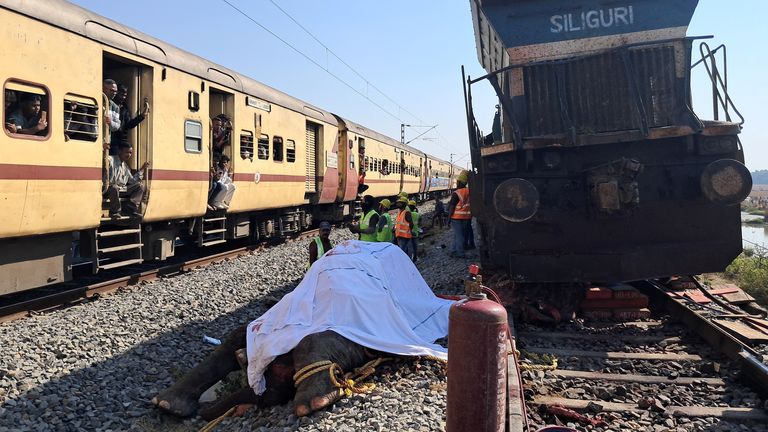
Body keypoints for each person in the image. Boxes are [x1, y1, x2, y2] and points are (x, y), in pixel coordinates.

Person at [106, 143, 148, 218]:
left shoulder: (125, 166)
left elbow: (132, 181)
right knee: (114, 187)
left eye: (130, 153)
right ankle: (115, 212)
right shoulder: (109, 160)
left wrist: (142, 169)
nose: (129, 155)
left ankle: (131, 209)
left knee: (140, 186)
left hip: (121, 189)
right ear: (119, 151)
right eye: (126, 152)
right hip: (109, 189)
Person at [110, 84, 149, 154]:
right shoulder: (110, 104)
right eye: (121, 94)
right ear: (116, 93)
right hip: (111, 138)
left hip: (121, 139)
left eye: (125, 95)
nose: (123, 97)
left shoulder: (124, 107)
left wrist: (142, 116)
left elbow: (129, 125)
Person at [447, 170, 471, 258]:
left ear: (460, 182)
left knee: (459, 236)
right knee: (459, 235)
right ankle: (453, 251)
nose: (456, 183)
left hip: (456, 218)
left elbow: (452, 207)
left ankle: (460, 253)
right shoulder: (469, 191)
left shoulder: (456, 193)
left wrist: (448, 219)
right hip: (466, 217)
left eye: (457, 181)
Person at [103, 79, 121, 150]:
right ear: (103, 89)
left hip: (105, 141)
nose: (114, 93)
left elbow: (117, 126)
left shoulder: (115, 107)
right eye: (112, 90)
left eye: (116, 91)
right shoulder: (95, 100)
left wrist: (110, 122)